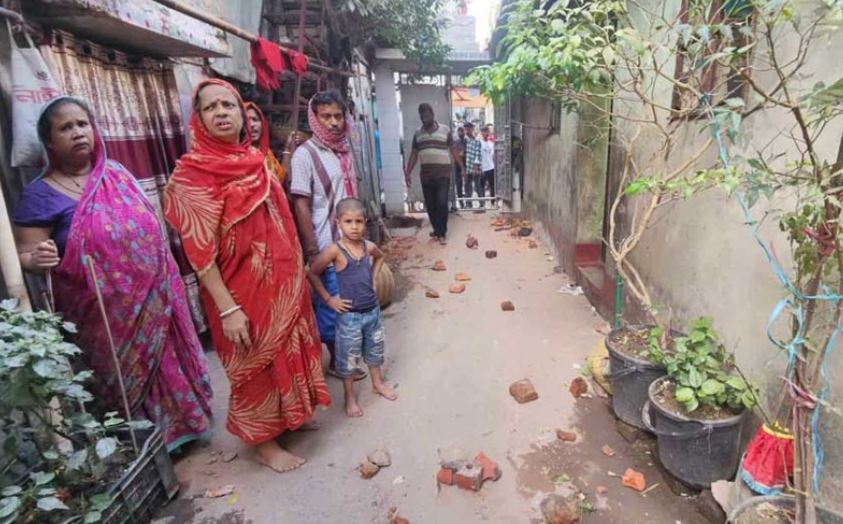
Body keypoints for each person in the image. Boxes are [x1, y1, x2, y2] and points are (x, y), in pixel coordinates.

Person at [12, 96, 213, 452]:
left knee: (165, 363)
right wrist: (36, 257)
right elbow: (26, 253)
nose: (77, 133)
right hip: (100, 316)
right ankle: (148, 446)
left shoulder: (117, 175)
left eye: (82, 124)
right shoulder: (39, 195)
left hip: (155, 299)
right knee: (121, 379)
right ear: (49, 142)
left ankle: (185, 429)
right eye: (66, 128)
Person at [163, 79, 330, 473]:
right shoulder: (192, 179)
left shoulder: (256, 160)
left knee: (291, 351)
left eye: (229, 105)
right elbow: (200, 255)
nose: (221, 112)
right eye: (210, 108)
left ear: (242, 113)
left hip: (285, 284)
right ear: (198, 119)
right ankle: (264, 443)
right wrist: (227, 309)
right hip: (240, 293)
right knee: (253, 364)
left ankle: (292, 417)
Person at [290, 90, 367, 382]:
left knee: (351, 301)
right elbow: (301, 203)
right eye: (326, 116)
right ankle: (337, 361)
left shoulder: (344, 150)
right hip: (326, 244)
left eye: (338, 116)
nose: (334, 122)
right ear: (315, 118)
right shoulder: (304, 155)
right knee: (331, 305)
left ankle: (348, 354)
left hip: (352, 244)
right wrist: (311, 250)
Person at [307, 198, 397, 417]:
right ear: (338, 222)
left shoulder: (368, 247)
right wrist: (329, 300)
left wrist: (374, 279)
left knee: (374, 351)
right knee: (348, 360)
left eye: (359, 221)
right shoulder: (334, 251)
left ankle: (377, 383)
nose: (354, 227)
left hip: (372, 312)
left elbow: (380, 257)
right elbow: (312, 273)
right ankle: (349, 397)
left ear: (365, 222)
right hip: (349, 318)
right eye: (348, 221)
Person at [404, 103, 464, 243]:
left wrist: (462, 167)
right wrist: (407, 173)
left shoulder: (445, 130)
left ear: (432, 114)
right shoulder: (418, 133)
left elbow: (453, 149)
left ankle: (442, 232)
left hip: (443, 173)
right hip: (426, 175)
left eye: (427, 115)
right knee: (430, 205)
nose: (424, 118)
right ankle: (437, 230)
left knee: (442, 202)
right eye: (422, 115)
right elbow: (414, 154)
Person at [244, 101, 290, 187]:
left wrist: (287, 149)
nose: (252, 124)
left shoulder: (267, 153)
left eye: (255, 119)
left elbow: (281, 178)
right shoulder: (235, 156)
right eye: (246, 120)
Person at [464, 122, 483, 208]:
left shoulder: (476, 141)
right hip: (466, 167)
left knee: (477, 186)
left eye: (469, 128)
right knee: (467, 187)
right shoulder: (463, 140)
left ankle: (481, 204)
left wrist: (475, 168)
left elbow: (477, 155)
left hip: (474, 167)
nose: (467, 130)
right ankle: (468, 204)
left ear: (472, 129)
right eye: (466, 128)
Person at [480, 124, 496, 207]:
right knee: (481, 186)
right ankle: (482, 203)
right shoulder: (479, 143)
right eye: (484, 131)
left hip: (491, 167)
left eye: (487, 131)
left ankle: (493, 202)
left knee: (492, 185)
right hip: (483, 167)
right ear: (481, 133)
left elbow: (493, 155)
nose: (486, 133)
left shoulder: (491, 143)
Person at [453, 126, 467, 209]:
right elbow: (455, 153)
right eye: (459, 131)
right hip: (457, 164)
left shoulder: (466, 141)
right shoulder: (456, 142)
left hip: (466, 163)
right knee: (459, 184)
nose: (461, 133)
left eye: (462, 131)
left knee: (467, 183)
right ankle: (461, 202)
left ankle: (468, 202)